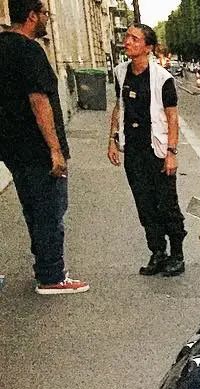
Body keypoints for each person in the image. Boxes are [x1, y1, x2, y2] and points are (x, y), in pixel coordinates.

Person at [0, 0, 88, 294]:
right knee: (51, 211)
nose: (47, 20)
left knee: (33, 210)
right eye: (45, 14)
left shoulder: (2, 48)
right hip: (38, 150)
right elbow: (40, 101)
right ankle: (52, 276)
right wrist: (55, 149)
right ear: (31, 16)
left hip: (13, 149)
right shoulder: (29, 51)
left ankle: (45, 268)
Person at [107, 23, 187, 276]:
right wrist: (112, 139)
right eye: (127, 37)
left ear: (148, 47)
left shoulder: (163, 79)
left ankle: (177, 254)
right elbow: (118, 107)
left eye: (134, 38)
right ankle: (157, 252)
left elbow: (172, 117)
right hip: (134, 150)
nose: (127, 41)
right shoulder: (121, 73)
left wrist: (172, 152)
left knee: (166, 204)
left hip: (158, 150)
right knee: (144, 204)